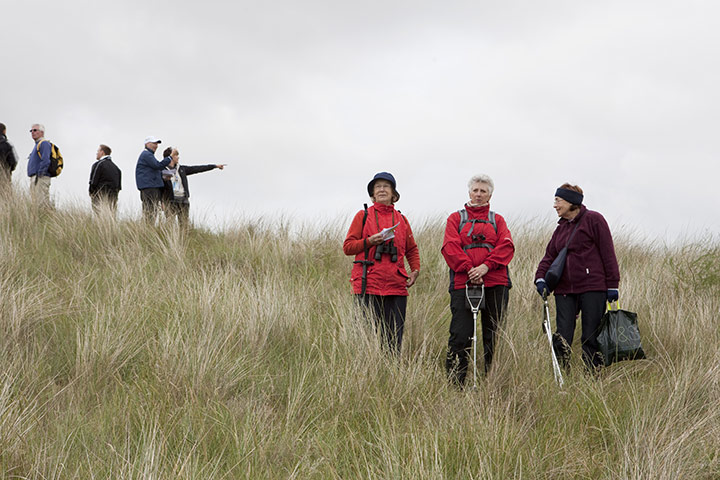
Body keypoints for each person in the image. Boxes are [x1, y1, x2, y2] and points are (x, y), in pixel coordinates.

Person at [534, 183, 620, 371]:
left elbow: (608, 254)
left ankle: (592, 377)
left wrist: (612, 285)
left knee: (591, 336)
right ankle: (562, 376)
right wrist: (540, 279)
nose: (555, 205)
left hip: (593, 287)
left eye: (558, 201)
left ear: (571, 202)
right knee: (562, 336)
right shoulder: (560, 229)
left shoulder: (594, 220)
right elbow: (549, 257)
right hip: (564, 290)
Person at [441, 174, 514, 385]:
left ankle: (493, 381)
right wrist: (469, 269)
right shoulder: (455, 218)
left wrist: (485, 267)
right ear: (469, 192)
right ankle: (456, 384)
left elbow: (506, 246)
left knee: (495, 336)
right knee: (460, 335)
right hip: (462, 284)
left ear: (490, 194)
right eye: (475, 190)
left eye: (483, 191)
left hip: (495, 283)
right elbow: (450, 247)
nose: (479, 195)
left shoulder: (497, 220)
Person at [343, 172, 420, 355]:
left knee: (393, 342)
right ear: (373, 194)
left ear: (394, 194)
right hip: (367, 285)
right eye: (378, 187)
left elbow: (412, 249)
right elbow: (348, 247)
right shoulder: (363, 215)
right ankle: (365, 377)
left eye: (386, 186)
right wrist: (370, 241)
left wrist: (415, 270)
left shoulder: (402, 219)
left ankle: (391, 377)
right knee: (365, 340)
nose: (382, 189)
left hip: (396, 287)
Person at [160, 146, 225, 228]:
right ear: (170, 157)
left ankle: (183, 240)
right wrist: (162, 201)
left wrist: (214, 166)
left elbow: (197, 168)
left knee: (184, 225)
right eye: (176, 155)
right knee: (169, 225)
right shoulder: (162, 170)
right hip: (170, 200)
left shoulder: (181, 169)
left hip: (183, 200)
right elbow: (161, 187)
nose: (178, 157)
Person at [135, 136, 171, 223]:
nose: (156, 146)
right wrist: (169, 158)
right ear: (147, 144)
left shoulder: (148, 155)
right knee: (150, 212)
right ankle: (147, 230)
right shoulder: (146, 154)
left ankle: (147, 229)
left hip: (151, 187)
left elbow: (156, 168)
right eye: (154, 143)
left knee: (152, 212)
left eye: (156, 144)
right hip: (150, 188)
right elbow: (157, 165)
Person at [89, 144, 122, 215]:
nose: (96, 153)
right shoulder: (117, 168)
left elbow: (93, 182)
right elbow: (119, 187)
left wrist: (91, 193)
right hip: (113, 198)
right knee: (111, 216)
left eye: (98, 151)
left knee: (98, 216)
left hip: (99, 196)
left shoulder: (98, 165)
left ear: (102, 152)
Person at [27, 123, 53, 206]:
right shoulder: (37, 145)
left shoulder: (44, 143)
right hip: (35, 177)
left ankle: (45, 217)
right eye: (31, 130)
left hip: (40, 178)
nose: (32, 132)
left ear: (42, 132)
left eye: (35, 130)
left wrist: (40, 174)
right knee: (35, 203)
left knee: (42, 203)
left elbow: (46, 160)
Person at [0, 123, 18, 190]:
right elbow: (14, 160)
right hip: (4, 174)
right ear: (4, 131)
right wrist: (9, 169)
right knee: (4, 196)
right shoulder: (6, 143)